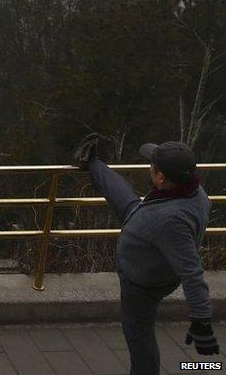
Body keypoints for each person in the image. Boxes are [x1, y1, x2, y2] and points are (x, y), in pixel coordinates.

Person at [74, 135, 218, 375]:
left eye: (152, 165)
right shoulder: (194, 191)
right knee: (123, 195)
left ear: (160, 177)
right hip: (145, 229)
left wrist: (202, 322)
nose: (149, 166)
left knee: (139, 333)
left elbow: (192, 273)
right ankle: (93, 162)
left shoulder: (171, 221)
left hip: (144, 281)